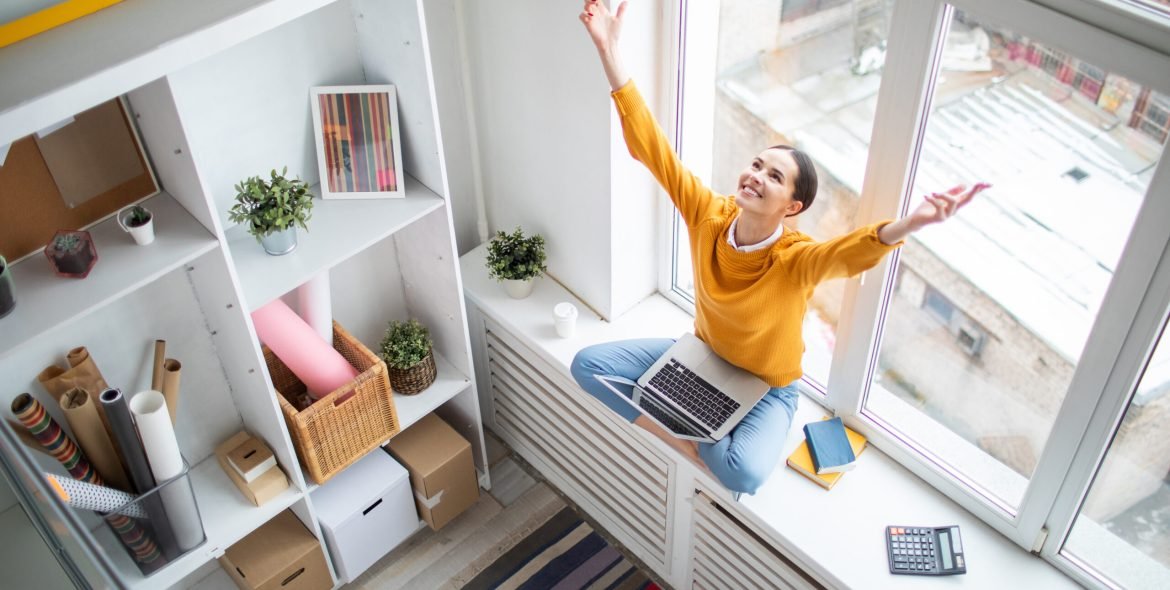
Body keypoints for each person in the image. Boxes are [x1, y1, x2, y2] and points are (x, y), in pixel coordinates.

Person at [571, 0, 989, 495]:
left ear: (792, 207)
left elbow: (849, 253)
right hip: (701, 359)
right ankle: (684, 443)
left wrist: (913, 222)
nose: (755, 176)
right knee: (587, 366)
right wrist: (609, 49)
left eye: (775, 176)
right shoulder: (708, 213)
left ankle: (699, 436)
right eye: (756, 164)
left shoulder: (794, 260)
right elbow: (651, 145)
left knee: (742, 473)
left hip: (768, 388)